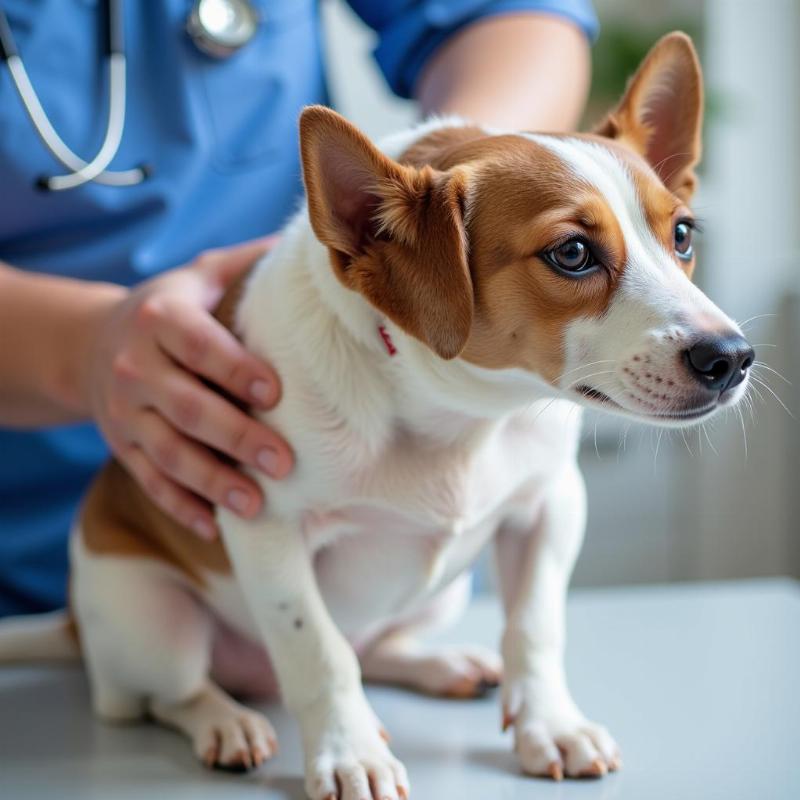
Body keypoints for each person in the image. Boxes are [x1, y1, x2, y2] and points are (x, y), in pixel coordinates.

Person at [0, 0, 596, 617]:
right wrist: (84, 349)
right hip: (37, 540)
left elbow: (509, 15)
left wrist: (464, 201)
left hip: (381, 571)